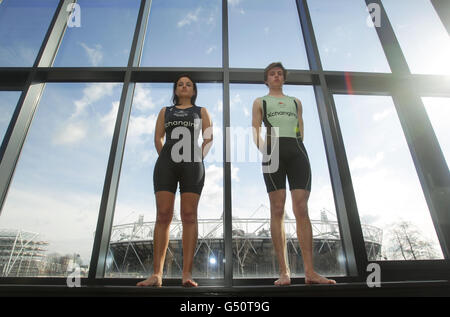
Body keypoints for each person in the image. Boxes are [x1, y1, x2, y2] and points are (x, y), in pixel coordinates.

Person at [252, 62, 336, 285]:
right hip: (273, 152)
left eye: (280, 73)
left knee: (301, 208)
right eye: (272, 74)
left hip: (297, 151)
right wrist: (265, 149)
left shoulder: (296, 102)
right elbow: (255, 129)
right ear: (266, 80)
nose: (276, 76)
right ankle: (284, 272)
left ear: (283, 78)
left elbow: (301, 129)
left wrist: (295, 147)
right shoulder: (260, 101)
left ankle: (310, 272)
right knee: (277, 208)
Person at [137, 74, 213, 287]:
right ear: (175, 90)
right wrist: (166, 157)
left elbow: (209, 138)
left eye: (188, 84)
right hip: (166, 164)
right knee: (163, 215)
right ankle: (156, 275)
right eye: (180, 84)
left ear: (194, 90)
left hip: (192, 163)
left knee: (189, 215)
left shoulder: (201, 111)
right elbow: (158, 138)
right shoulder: (165, 111)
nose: (184, 86)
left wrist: (198, 158)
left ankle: (187, 274)